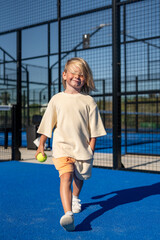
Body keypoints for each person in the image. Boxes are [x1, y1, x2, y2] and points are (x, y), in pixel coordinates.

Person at [35, 57, 106, 231]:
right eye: (73, 73)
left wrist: (90, 149)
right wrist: (41, 144)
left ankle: (75, 197)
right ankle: (68, 215)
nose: (77, 76)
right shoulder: (56, 99)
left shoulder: (89, 101)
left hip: (83, 149)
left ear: (86, 79)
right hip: (62, 148)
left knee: (80, 178)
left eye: (82, 74)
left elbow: (95, 130)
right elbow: (47, 126)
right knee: (65, 176)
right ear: (65, 75)